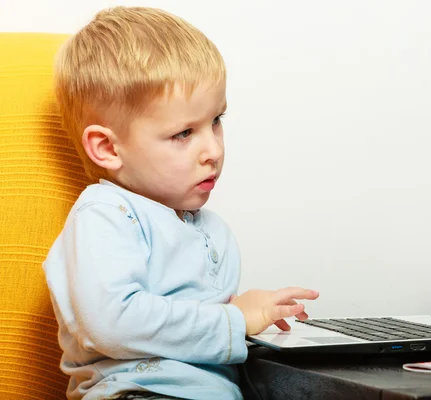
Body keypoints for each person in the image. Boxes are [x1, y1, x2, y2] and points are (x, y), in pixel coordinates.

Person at [43, 6, 319, 400]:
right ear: (107, 147)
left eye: (217, 120)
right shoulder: (105, 214)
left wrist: (259, 320)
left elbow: (205, 341)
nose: (213, 150)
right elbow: (112, 322)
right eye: (184, 133)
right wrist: (235, 319)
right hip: (136, 393)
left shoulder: (212, 230)